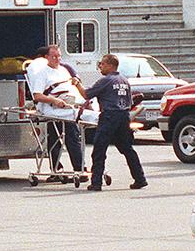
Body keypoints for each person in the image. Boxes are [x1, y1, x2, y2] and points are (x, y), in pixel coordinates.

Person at [76, 54, 146, 191]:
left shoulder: (106, 81)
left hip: (109, 117)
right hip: (123, 116)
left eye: (102, 64)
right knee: (127, 149)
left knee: (99, 150)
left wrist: (77, 83)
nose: (100, 66)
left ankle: (96, 182)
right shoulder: (124, 80)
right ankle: (140, 178)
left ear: (110, 65)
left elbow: (86, 94)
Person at [26, 44, 85, 178]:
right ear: (46, 57)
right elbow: (37, 96)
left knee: (71, 138)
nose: (57, 59)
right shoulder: (42, 73)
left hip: (69, 105)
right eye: (54, 56)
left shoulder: (64, 70)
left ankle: (78, 168)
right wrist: (54, 101)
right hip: (53, 108)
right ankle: (59, 170)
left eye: (59, 56)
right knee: (58, 139)